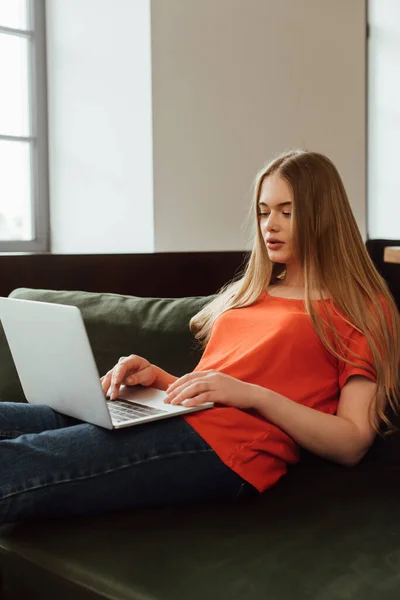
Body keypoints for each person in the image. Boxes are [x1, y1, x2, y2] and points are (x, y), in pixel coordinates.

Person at [0, 149, 399, 526]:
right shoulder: (252, 292)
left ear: (324, 216)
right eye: (263, 212)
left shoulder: (362, 306)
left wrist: (254, 395)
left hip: (231, 451)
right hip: (183, 419)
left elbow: (352, 442)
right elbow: (217, 392)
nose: (269, 225)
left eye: (286, 212)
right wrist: (158, 381)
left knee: (23, 461)